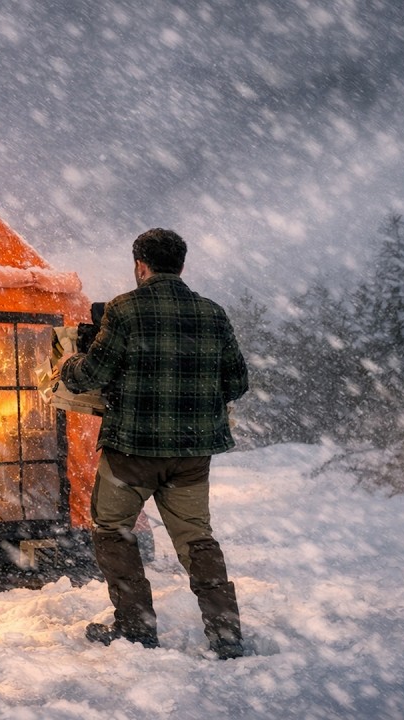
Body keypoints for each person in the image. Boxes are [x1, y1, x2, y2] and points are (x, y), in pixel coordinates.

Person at [59, 228, 249, 659]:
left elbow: (91, 375)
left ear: (140, 266)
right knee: (197, 538)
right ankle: (225, 634)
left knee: (113, 530)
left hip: (132, 451)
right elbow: (237, 383)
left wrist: (68, 364)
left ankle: (136, 629)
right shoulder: (213, 313)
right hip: (191, 454)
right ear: (181, 265)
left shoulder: (124, 309)